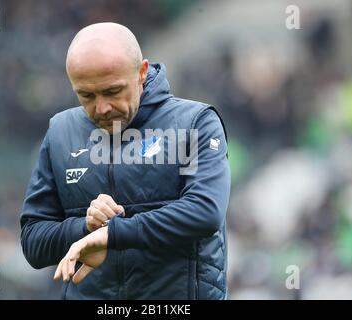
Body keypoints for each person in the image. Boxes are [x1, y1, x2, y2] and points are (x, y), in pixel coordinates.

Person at [20, 22, 231, 300]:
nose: (102, 108)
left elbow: (204, 211)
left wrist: (113, 234)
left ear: (142, 73)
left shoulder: (192, 124)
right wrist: (86, 227)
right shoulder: (61, 132)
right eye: (86, 96)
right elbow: (33, 242)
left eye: (112, 91)